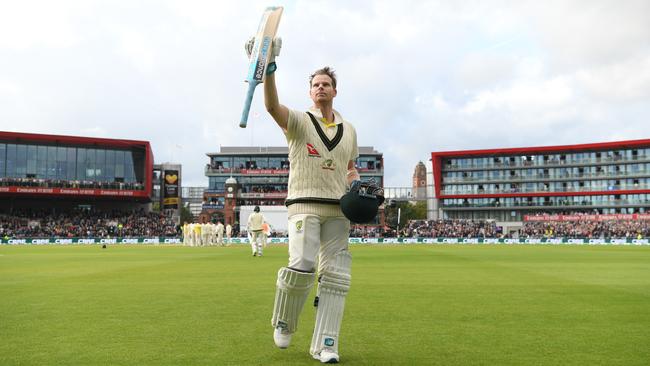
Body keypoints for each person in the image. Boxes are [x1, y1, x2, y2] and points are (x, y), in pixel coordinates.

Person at [257, 37, 361, 364]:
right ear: (309, 91)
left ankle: (326, 344)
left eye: (326, 84)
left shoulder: (350, 129)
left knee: (337, 276)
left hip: (338, 209)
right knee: (302, 264)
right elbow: (272, 107)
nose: (321, 88)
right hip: (303, 204)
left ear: (335, 90)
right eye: (315, 84)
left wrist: (359, 190)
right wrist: (270, 68)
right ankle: (285, 321)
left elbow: (350, 168)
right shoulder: (301, 121)